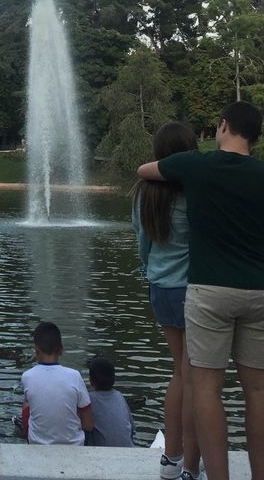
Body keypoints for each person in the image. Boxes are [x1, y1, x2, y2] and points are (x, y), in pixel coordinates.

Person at [138, 102, 264, 480]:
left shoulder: (197, 166)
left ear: (223, 126)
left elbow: (144, 172)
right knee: (257, 391)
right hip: (258, 291)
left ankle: (201, 469)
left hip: (206, 291)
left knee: (202, 386)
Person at [132, 122, 202, 480]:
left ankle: (170, 458)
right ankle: (189, 461)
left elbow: (142, 245)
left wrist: (151, 271)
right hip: (193, 290)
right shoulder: (194, 190)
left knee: (179, 372)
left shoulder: (145, 193)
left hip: (160, 288)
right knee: (194, 378)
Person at [20, 321, 93, 445]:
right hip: (74, 447)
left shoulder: (27, 376)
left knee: (27, 404)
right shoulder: (74, 376)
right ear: (61, 350)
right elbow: (89, 425)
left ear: (36, 350)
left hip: (37, 445)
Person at [85, 357, 134, 448]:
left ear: (91, 381)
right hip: (128, 449)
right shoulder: (119, 396)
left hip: (104, 454)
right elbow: (132, 429)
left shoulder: (89, 399)